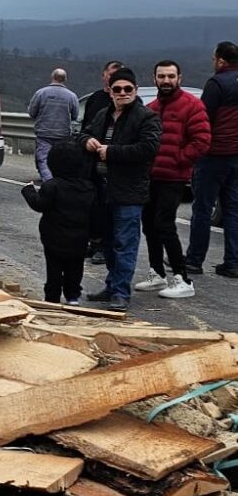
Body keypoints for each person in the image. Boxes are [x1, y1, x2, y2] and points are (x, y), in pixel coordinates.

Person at [77, 67, 161, 312]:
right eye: (117, 89)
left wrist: (111, 152)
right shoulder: (103, 114)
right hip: (102, 189)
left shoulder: (146, 117)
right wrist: (87, 141)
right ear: (110, 91)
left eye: (128, 89)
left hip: (129, 192)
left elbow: (148, 149)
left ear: (135, 90)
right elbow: (83, 134)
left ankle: (121, 293)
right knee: (108, 242)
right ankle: (112, 286)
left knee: (126, 243)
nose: (123, 93)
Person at [134, 61, 210, 298]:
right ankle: (157, 274)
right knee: (149, 224)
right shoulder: (153, 108)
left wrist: (179, 159)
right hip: (151, 176)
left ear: (179, 78)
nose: (166, 80)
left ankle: (182, 278)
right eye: (161, 76)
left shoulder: (192, 105)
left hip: (174, 177)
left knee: (164, 224)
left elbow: (202, 140)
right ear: (154, 78)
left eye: (170, 76)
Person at [186, 41, 238, 278]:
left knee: (203, 208)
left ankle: (195, 260)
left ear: (220, 60)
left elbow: (203, 119)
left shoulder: (217, 83)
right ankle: (233, 262)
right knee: (233, 209)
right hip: (236, 156)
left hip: (215, 154)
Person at [21, 142, 96, 305]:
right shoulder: (88, 188)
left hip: (54, 238)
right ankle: (73, 296)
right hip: (79, 238)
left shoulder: (52, 186)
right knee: (75, 268)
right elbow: (94, 213)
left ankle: (52, 298)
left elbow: (39, 204)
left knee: (54, 269)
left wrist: (29, 191)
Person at [82, 60, 124, 264]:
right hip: (93, 166)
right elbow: (84, 130)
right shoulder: (95, 100)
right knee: (93, 208)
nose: (113, 79)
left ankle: (106, 247)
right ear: (103, 76)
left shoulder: (132, 105)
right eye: (111, 74)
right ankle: (95, 243)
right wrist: (86, 141)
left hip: (117, 169)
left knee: (111, 211)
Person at [28, 68, 78, 181]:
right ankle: (60, 182)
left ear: (52, 77)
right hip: (63, 134)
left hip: (44, 133)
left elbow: (32, 112)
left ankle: (50, 183)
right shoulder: (72, 96)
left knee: (43, 160)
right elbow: (75, 116)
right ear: (65, 79)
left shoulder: (40, 93)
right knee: (61, 160)